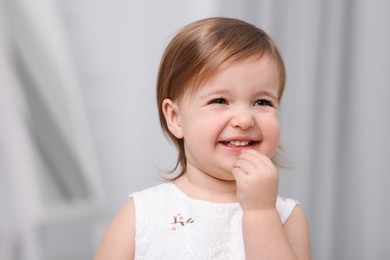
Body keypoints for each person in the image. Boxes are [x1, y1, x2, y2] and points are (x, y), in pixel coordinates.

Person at [94, 17, 311, 260]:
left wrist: (261, 211)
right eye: (219, 101)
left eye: (262, 102)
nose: (244, 119)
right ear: (175, 118)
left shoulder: (286, 216)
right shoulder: (142, 213)